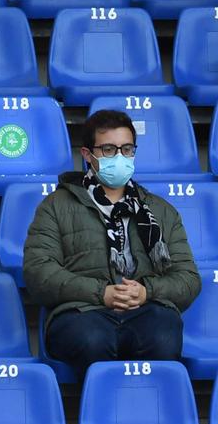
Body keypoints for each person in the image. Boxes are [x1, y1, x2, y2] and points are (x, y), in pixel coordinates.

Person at [23, 110, 200, 372]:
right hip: (81, 312)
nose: (119, 157)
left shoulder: (160, 210)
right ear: (87, 155)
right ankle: (99, 410)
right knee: (93, 340)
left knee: (163, 336)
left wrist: (146, 292)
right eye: (108, 149)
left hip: (146, 309)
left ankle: (152, 411)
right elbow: (38, 273)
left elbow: (188, 278)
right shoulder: (55, 206)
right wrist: (100, 293)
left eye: (127, 149)